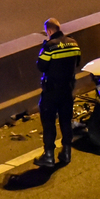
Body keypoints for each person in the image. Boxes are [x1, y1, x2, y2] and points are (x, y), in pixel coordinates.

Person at [33, 18, 82, 168]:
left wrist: (44, 47)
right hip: (67, 89)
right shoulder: (73, 43)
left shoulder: (49, 47)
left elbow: (41, 66)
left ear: (49, 31)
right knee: (66, 121)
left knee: (49, 122)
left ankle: (49, 155)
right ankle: (66, 152)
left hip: (51, 91)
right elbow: (78, 62)